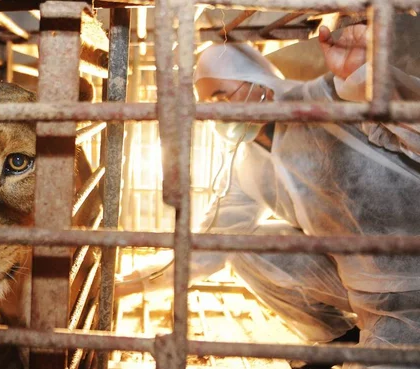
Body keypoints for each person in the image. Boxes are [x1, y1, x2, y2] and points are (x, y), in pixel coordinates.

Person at [116, 24, 420, 368]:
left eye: (220, 96)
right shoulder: (249, 165)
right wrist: (132, 284)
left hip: (412, 282)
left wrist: (369, 79)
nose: (215, 113)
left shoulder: (326, 99)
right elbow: (210, 247)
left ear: (259, 83)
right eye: (208, 105)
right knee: (242, 246)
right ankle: (338, 340)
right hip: (360, 285)